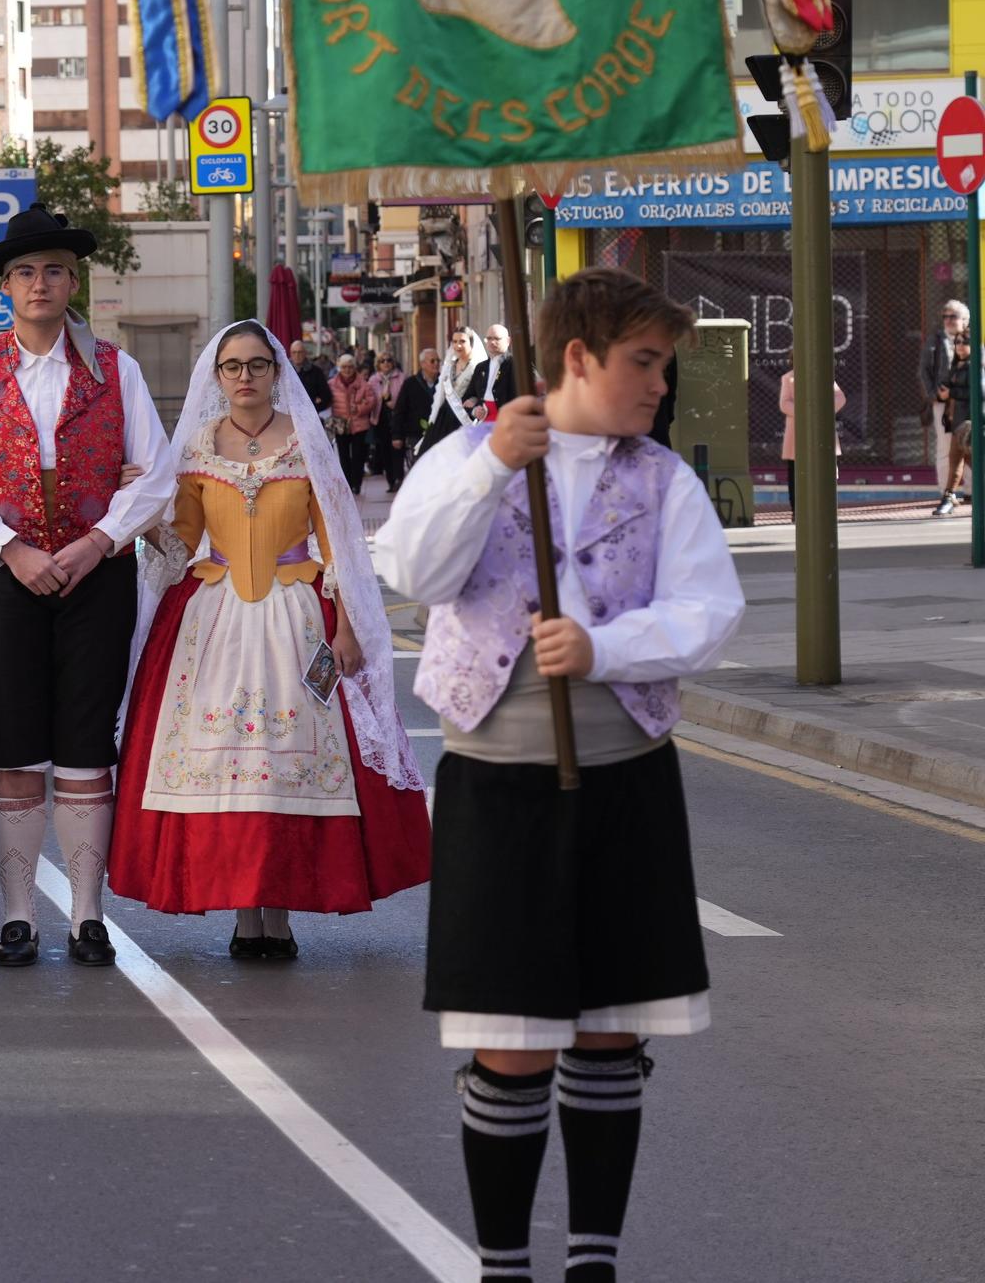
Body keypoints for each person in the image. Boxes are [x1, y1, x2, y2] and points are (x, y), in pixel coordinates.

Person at [375, 269, 744, 1283]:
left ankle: (591, 1260)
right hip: (497, 782)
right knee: (511, 1037)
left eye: (663, 365)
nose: (658, 385)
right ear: (576, 357)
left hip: (623, 776)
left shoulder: (660, 479)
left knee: (610, 1030)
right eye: (642, 361)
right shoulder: (462, 455)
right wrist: (492, 464)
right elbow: (413, 570)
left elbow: (709, 610)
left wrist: (604, 648)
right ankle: (501, 1264)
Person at [110, 321, 430, 957]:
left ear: (276, 373)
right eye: (233, 366)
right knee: (224, 766)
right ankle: (242, 909)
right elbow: (181, 541)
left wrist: (345, 625)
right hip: (214, 620)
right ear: (218, 375)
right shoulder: (199, 446)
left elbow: (335, 538)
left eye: (257, 365)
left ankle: (276, 914)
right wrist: (141, 514)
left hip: (298, 616)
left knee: (293, 766)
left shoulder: (308, 445)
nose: (245, 377)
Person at [0, 202, 177, 968]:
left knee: (88, 743)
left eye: (54, 270)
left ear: (73, 281)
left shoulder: (116, 369)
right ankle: (21, 913)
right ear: (5, 287)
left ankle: (88, 915)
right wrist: (8, 548)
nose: (40, 282)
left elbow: (155, 475)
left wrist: (99, 541)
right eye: (25, 271)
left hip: (98, 576)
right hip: (2, 580)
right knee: (14, 743)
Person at [779, 368, 845, 524]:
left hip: (822, 429)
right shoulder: (788, 378)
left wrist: (822, 411)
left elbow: (840, 398)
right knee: (795, 472)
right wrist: (806, 412)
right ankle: (797, 512)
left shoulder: (824, 375)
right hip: (797, 431)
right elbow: (784, 403)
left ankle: (827, 509)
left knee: (825, 468)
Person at [923, 300, 970, 512]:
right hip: (945, 404)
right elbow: (924, 371)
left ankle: (971, 491)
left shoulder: (971, 342)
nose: (948, 321)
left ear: (964, 320)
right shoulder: (935, 340)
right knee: (946, 448)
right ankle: (947, 492)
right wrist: (933, 395)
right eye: (946, 317)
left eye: (953, 317)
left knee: (970, 448)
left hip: (968, 406)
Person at [417, 326, 486, 456]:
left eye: (462, 341)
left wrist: (474, 399)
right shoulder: (450, 364)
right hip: (444, 417)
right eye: (454, 342)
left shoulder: (477, 366)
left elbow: (481, 392)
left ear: (471, 343)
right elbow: (441, 393)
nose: (457, 345)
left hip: (464, 417)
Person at [331, 355, 377, 494]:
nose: (347, 370)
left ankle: (357, 484)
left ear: (354, 367)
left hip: (359, 424)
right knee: (344, 457)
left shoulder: (364, 383)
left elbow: (371, 401)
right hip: (341, 425)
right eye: (344, 367)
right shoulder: (332, 383)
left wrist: (359, 408)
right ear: (339, 367)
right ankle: (347, 484)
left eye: (350, 366)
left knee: (358, 456)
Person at [393, 348, 440, 481]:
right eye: (432, 361)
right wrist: (397, 435)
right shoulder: (410, 384)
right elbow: (400, 410)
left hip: (438, 433)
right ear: (423, 364)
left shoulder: (444, 382)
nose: (436, 363)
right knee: (418, 470)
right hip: (415, 435)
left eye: (438, 360)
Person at [368, 352, 406, 490]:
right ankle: (391, 480)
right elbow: (370, 399)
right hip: (381, 419)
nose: (386, 363)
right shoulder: (373, 380)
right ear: (378, 364)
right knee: (385, 451)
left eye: (389, 360)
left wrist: (394, 403)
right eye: (382, 361)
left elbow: (404, 397)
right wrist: (381, 399)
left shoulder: (401, 377)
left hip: (397, 418)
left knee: (398, 450)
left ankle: (399, 478)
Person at [473, 323, 517, 417]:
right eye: (489, 338)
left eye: (497, 339)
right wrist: (475, 410)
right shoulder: (480, 367)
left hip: (508, 419)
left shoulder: (516, 364)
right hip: (484, 419)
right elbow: (470, 396)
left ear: (508, 341)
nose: (492, 342)